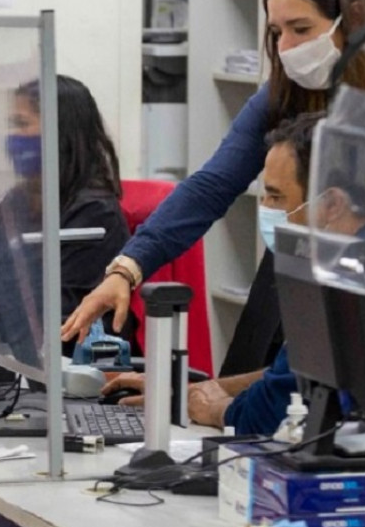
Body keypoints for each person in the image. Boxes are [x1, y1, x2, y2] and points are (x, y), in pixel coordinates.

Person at [62, 0, 365, 346]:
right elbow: (212, 184)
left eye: (301, 29)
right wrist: (127, 268)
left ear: (351, 18)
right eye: (276, 32)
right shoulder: (278, 97)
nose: (286, 48)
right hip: (296, 268)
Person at [102, 112, 320, 434]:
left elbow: (272, 411)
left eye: (276, 196)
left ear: (329, 202)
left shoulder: (349, 281)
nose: (267, 209)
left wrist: (217, 410)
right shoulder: (333, 267)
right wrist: (199, 392)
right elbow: (293, 374)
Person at [0, 74, 133, 346]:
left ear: (59, 132)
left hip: (80, 370)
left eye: (22, 124)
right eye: (10, 124)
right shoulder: (16, 201)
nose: (12, 136)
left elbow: (55, 318)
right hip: (24, 362)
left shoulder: (95, 216)